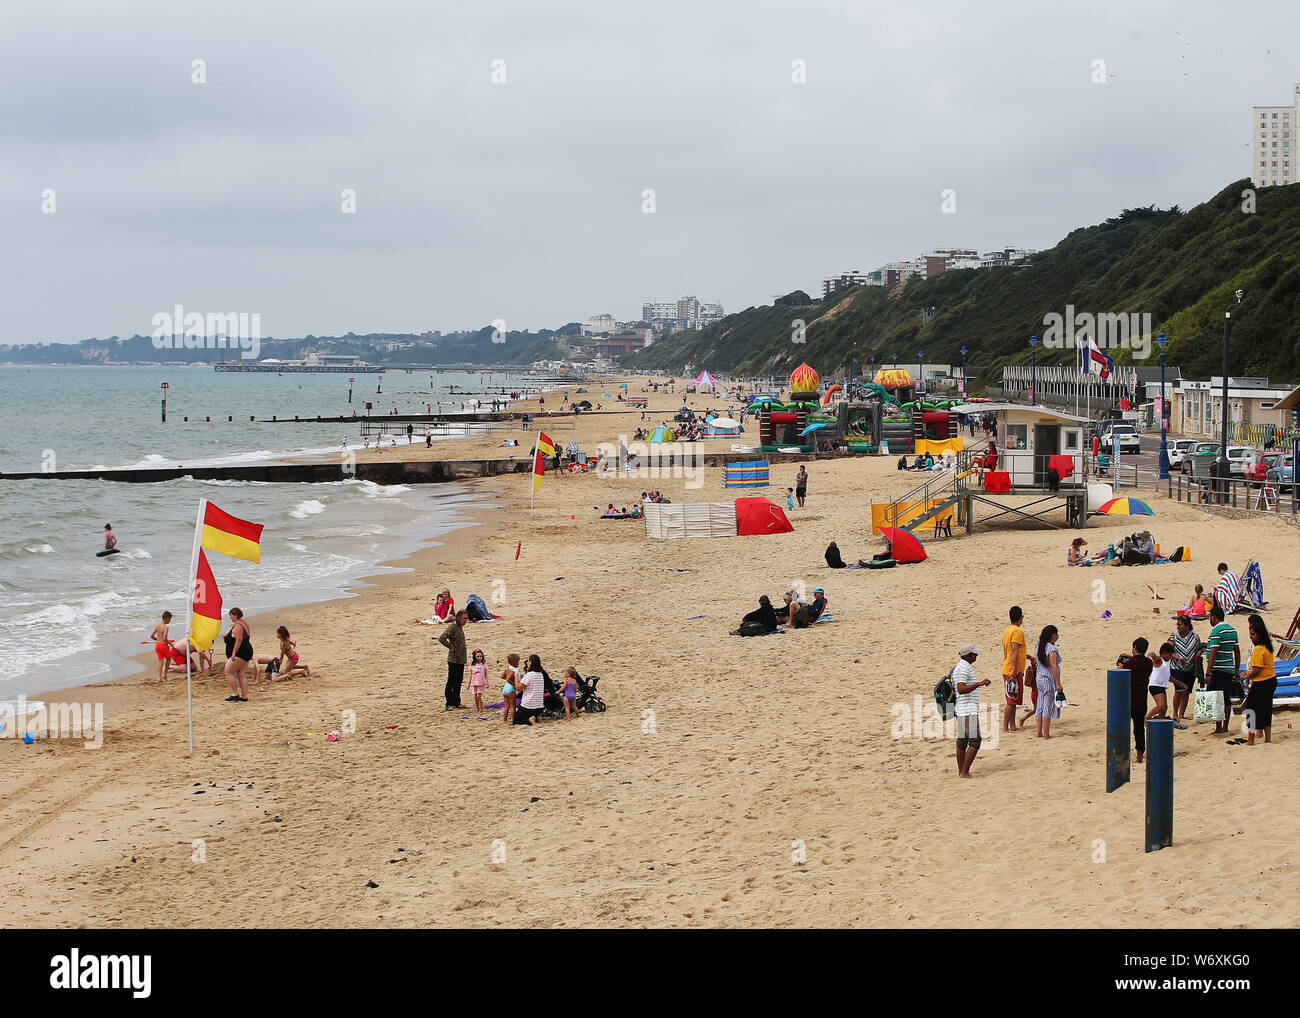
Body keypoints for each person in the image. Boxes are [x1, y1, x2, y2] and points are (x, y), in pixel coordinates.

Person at [953, 643, 989, 778]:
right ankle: (964, 772)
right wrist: (978, 684)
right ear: (968, 656)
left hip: (963, 709)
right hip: (967, 710)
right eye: (974, 654)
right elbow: (961, 689)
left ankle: (961, 771)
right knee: (975, 741)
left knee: (962, 741)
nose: (976, 655)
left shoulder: (961, 667)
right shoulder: (963, 669)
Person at [1240, 614, 1276, 746]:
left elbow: (1257, 669)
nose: (1251, 637)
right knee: (1267, 709)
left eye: (1253, 634)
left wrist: (1247, 675)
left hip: (1262, 682)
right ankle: (1267, 738)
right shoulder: (1267, 647)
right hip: (1271, 680)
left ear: (1259, 634)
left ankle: (1250, 740)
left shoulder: (1259, 649)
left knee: (1251, 710)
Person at [1204, 604, 1240, 735]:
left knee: (1217, 698)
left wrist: (1208, 672)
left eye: (1210, 617)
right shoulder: (1232, 630)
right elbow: (1237, 651)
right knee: (1226, 698)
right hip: (1229, 668)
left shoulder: (1216, 631)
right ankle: (1225, 726)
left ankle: (1219, 727)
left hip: (1218, 669)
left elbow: (1213, 652)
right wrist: (1236, 669)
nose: (1209, 620)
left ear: (1214, 617)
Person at [1117, 637, 1154, 763]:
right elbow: (1143, 661)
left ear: (1135, 648)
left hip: (1128, 700)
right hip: (1142, 699)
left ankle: (1122, 754)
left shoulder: (1129, 664)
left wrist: (1121, 665)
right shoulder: (1149, 663)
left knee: (1123, 728)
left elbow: (1119, 674)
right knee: (1139, 729)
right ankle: (1139, 756)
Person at [1168, 615, 1201, 726]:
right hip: (1177, 667)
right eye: (1177, 624)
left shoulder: (1195, 636)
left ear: (1187, 625)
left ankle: (1182, 714)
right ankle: (1175, 713)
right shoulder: (1174, 637)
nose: (1178, 627)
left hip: (1190, 667)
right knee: (1179, 690)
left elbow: (1199, 648)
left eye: (1180, 625)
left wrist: (1199, 653)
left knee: (1187, 691)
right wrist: (1178, 658)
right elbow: (1167, 650)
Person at [1033, 625, 1063, 738]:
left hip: (1039, 678)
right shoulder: (1051, 649)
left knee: (1040, 705)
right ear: (1053, 635)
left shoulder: (1039, 646)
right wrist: (1058, 683)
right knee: (1047, 706)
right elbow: (1053, 666)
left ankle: (1039, 733)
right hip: (1048, 680)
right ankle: (1046, 734)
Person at [1000, 606, 1026, 733]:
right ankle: (1005, 726)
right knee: (1011, 700)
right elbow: (1014, 651)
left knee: (1013, 699)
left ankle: (1012, 725)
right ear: (1020, 617)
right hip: (1012, 669)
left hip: (1008, 667)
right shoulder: (1017, 632)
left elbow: (1013, 651)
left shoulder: (1007, 630)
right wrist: (1015, 669)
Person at [438, 610, 468, 711]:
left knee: (458, 681)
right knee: (451, 681)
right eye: (464, 618)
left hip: (461, 659)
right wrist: (450, 647)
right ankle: (449, 703)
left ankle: (456, 702)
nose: (465, 621)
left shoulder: (459, 627)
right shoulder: (452, 627)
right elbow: (442, 638)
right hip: (454, 659)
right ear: (458, 618)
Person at [222, 607, 253, 702]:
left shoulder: (238, 625)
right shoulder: (243, 623)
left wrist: (233, 653)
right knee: (241, 675)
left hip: (240, 653)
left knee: (228, 671)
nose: (230, 618)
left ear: (235, 615)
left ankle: (235, 694)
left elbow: (239, 640)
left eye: (231, 616)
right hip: (247, 651)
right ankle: (244, 696)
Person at [1146, 642, 1174, 724]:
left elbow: (1169, 678)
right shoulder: (1160, 661)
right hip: (1155, 685)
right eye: (1170, 655)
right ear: (1165, 653)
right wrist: (1153, 655)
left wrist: (1181, 684)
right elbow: (1156, 658)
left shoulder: (1164, 664)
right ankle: (1147, 718)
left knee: (1164, 708)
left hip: (1161, 686)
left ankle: (1160, 724)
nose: (1170, 657)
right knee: (1161, 706)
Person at [514, 654, 546, 726]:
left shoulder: (529, 675)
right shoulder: (540, 674)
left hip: (528, 706)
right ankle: (536, 717)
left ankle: (529, 720)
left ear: (530, 663)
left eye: (528, 661)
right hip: (539, 706)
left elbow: (518, 688)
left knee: (517, 720)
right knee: (531, 713)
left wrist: (516, 677)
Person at [149, 611, 174, 683]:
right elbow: (164, 638)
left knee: (160, 661)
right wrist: (171, 644)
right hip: (163, 646)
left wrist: (157, 640)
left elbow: (151, 636)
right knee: (168, 659)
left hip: (157, 645)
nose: (170, 621)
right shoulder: (166, 627)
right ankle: (165, 675)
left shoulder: (157, 626)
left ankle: (159, 677)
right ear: (166, 618)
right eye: (170, 619)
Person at [500, 653, 521, 724]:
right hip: (511, 689)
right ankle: (513, 720)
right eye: (518, 661)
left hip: (505, 688)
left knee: (506, 706)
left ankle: (504, 719)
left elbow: (502, 676)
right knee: (512, 706)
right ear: (514, 662)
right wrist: (514, 684)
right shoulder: (513, 671)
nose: (519, 663)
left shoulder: (507, 669)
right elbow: (508, 679)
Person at [469, 648, 489, 713]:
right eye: (478, 656)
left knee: (478, 696)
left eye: (481, 656)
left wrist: (487, 682)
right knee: (475, 696)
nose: (479, 658)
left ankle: (481, 709)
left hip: (481, 682)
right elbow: (471, 675)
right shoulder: (473, 665)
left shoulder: (484, 664)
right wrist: (469, 684)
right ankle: (478, 708)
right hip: (474, 682)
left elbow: (486, 674)